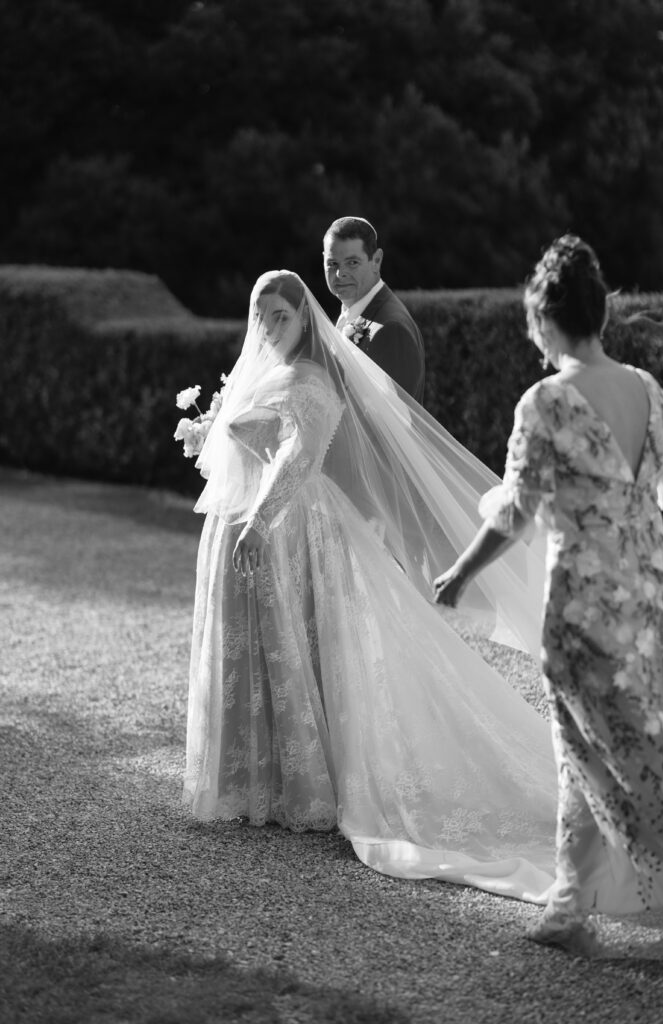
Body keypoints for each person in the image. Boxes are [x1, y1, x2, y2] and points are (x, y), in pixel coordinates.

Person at [182, 268, 558, 904]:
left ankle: (298, 782)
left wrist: (261, 521)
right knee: (252, 645)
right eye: (262, 316)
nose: (270, 328)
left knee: (290, 642)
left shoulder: (313, 379)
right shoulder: (264, 372)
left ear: (305, 321)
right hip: (248, 520)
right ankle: (251, 777)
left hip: (286, 524)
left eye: (282, 316)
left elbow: (300, 456)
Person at [435, 235, 663, 955]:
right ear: (600, 313)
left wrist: (458, 574)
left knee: (587, 745)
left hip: (583, 601)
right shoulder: (648, 390)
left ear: (543, 318)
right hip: (653, 593)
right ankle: (570, 899)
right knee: (649, 736)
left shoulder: (544, 401)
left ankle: (574, 900)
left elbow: (514, 511)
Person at [323, 216, 425, 402]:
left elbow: (394, 424)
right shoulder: (353, 313)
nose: (340, 273)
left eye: (352, 262)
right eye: (332, 263)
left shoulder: (392, 329)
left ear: (376, 261)